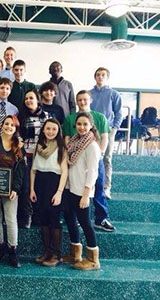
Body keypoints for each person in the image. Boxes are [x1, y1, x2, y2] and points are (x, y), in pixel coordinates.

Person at [63, 90, 115, 232]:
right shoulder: (70, 118)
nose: (82, 102)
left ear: (90, 100)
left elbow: (104, 137)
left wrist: (99, 154)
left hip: (94, 158)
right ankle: (77, 219)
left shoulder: (100, 117)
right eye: (79, 100)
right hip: (75, 160)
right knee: (74, 190)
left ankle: (101, 218)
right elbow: (67, 138)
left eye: (85, 99)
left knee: (98, 187)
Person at [0, 115, 26, 268]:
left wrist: (15, 188)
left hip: (11, 191)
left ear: (16, 128)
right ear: (2, 125)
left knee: (10, 220)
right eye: (6, 124)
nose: (9, 127)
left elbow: (21, 170)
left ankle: (12, 250)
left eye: (12, 125)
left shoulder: (18, 145)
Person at [63, 112, 101, 271]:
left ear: (91, 125)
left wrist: (86, 194)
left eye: (85, 124)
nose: (82, 127)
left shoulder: (92, 145)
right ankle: (75, 254)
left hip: (82, 191)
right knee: (70, 220)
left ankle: (93, 259)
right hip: (71, 187)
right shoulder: (74, 141)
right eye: (79, 124)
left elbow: (93, 172)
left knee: (85, 223)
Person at [30, 119, 68, 266]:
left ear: (58, 131)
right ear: (43, 130)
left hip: (54, 185)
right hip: (40, 184)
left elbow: (64, 172)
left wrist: (59, 192)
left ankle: (57, 255)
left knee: (54, 220)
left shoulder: (61, 147)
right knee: (43, 219)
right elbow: (33, 170)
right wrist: (32, 189)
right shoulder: (38, 146)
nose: (51, 132)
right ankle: (47, 251)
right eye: (48, 129)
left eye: (54, 129)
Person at [90, 67, 122, 200]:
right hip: (91, 130)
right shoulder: (89, 93)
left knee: (106, 158)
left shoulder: (114, 94)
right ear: (95, 77)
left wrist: (114, 128)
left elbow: (119, 112)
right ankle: (91, 186)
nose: (100, 77)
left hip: (108, 130)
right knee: (92, 158)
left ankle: (106, 187)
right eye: (98, 74)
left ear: (107, 77)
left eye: (103, 75)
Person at [18, 89, 49, 228]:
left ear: (37, 100)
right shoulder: (21, 117)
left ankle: (39, 216)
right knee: (26, 188)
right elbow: (17, 135)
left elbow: (51, 135)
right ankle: (27, 216)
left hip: (42, 157)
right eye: (26, 99)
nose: (28, 101)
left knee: (40, 187)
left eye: (31, 98)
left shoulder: (46, 116)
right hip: (26, 157)